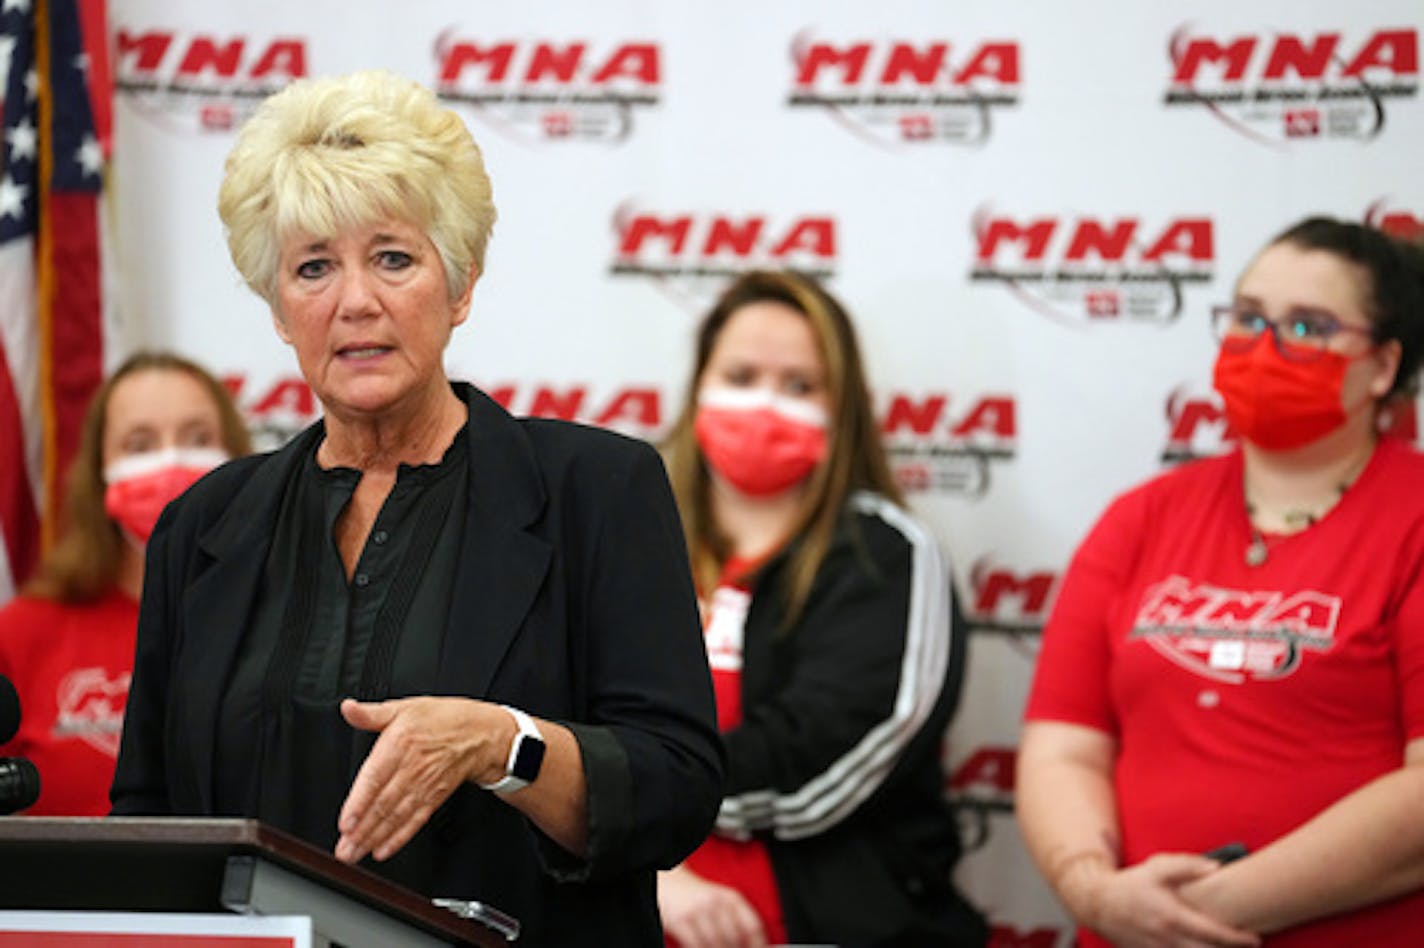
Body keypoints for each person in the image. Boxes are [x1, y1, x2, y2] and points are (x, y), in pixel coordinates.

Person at [109, 70, 724, 946]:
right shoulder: (204, 526)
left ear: (461, 284)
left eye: (393, 258)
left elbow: (677, 789)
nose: (355, 300)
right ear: (281, 309)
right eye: (313, 267)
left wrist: (503, 744)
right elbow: (150, 814)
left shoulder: (598, 490)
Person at [1017, 216, 1424, 946]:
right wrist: (1095, 892)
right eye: (1247, 317)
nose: (1265, 346)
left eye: (1307, 325)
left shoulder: (1413, 519)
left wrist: (1204, 913)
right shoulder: (1141, 516)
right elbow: (1063, 748)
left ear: (1384, 365)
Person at [656, 270, 988, 947]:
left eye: (800, 386)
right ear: (699, 387)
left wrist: (610, 794)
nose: (765, 404)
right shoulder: (622, 531)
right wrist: (650, 875)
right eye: (741, 375)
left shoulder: (885, 555)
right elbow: (549, 722)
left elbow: (816, 770)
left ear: (844, 408)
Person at [0, 351, 249, 816]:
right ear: (99, 471)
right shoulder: (22, 632)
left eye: (198, 438)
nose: (171, 461)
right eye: (140, 444)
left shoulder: (277, 613)